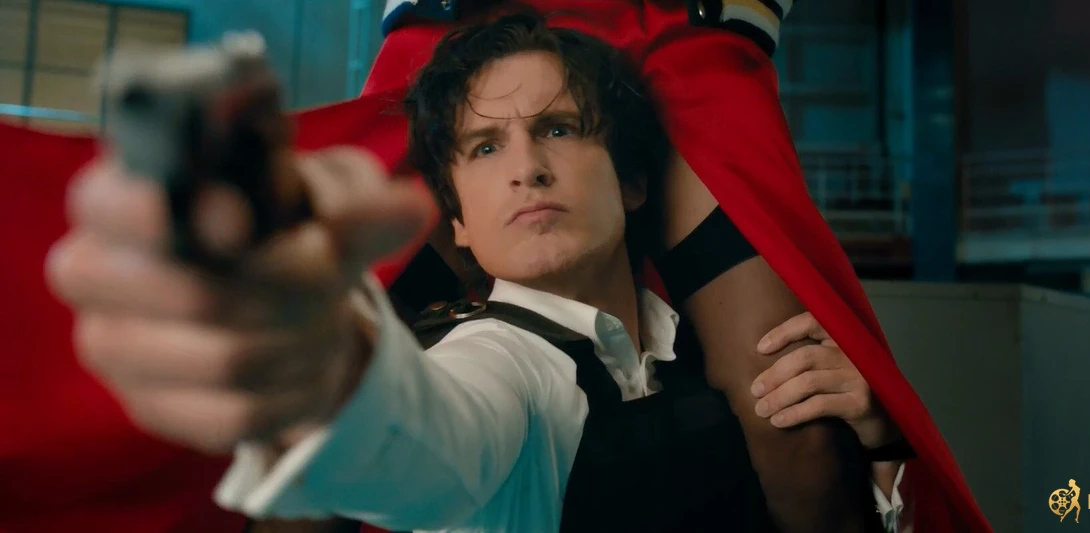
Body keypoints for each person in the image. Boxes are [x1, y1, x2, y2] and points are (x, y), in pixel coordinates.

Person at [50, 14, 907, 532]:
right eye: (486, 147)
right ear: (455, 221)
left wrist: (879, 449)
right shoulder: (499, 369)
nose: (526, 168)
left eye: (559, 130)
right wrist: (319, 369)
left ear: (634, 181)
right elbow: (424, 434)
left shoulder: (694, 356)